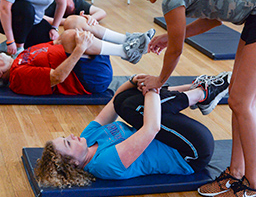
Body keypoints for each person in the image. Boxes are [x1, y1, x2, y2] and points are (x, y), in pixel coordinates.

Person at [121, 0, 256, 197]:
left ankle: (253, 184)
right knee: (240, 102)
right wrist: (169, 35)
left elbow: (176, 49)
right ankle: (236, 173)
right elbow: (213, 20)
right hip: (253, 17)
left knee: (241, 102)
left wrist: (159, 81)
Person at [34, 72, 231, 187]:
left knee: (123, 101)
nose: (71, 136)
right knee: (136, 107)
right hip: (191, 152)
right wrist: (152, 89)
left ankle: (197, 89)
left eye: (64, 137)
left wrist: (133, 81)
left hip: (173, 138)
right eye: (68, 143)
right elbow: (151, 128)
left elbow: (113, 103)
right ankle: (203, 92)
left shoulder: (87, 138)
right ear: (74, 163)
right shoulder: (103, 163)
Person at [0, 17, 155, 95]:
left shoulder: (20, 57)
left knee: (72, 22)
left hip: (86, 58)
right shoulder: (18, 78)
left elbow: (54, 44)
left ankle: (129, 41)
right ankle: (125, 51)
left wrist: (85, 25)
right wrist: (79, 47)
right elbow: (57, 77)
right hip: (90, 79)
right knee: (71, 36)